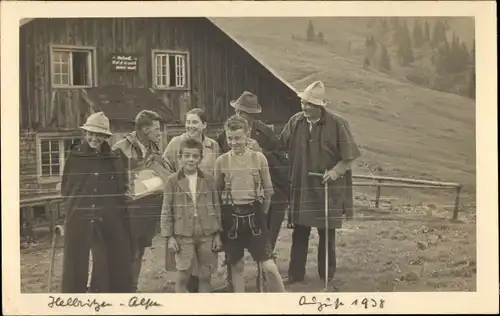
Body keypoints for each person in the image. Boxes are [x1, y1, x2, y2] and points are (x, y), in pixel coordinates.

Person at [279, 81, 361, 286]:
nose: (305, 107)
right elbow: (280, 146)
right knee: (300, 231)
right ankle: (295, 274)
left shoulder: (338, 124)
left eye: (310, 104)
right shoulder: (295, 122)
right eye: (303, 103)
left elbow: (349, 158)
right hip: (302, 187)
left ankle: (327, 275)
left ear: (320, 106)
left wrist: (335, 172)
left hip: (327, 187)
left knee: (326, 233)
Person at [215, 91, 290, 292]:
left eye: (247, 113)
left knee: (268, 264)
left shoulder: (266, 134)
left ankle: (283, 300)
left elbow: (278, 170)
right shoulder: (224, 140)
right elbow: (218, 187)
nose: (233, 141)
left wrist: (262, 212)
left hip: (256, 209)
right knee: (236, 264)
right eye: (239, 111)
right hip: (232, 213)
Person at [60, 112, 133, 293]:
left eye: (99, 134)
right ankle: (73, 297)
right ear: (85, 134)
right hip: (79, 215)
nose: (94, 138)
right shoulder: (75, 157)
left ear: (105, 136)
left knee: (105, 260)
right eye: (91, 133)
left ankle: (102, 295)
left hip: (106, 217)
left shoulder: (113, 158)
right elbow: (67, 187)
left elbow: (120, 187)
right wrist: (71, 211)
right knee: (75, 260)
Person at [162, 108, 222, 292]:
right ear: (180, 156)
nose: (190, 159)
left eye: (195, 122)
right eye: (188, 122)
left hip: (206, 224)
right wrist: (169, 235)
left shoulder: (213, 150)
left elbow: (216, 204)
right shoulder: (175, 145)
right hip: (183, 224)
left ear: (204, 125)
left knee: (205, 273)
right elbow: (166, 207)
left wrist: (218, 232)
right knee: (183, 273)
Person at [112, 110, 169, 292]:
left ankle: (132, 287)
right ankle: (122, 289)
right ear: (145, 129)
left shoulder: (154, 147)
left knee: (139, 250)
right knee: (128, 252)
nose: (159, 132)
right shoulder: (121, 148)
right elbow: (113, 180)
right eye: (156, 128)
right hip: (128, 210)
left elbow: (164, 173)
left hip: (148, 207)